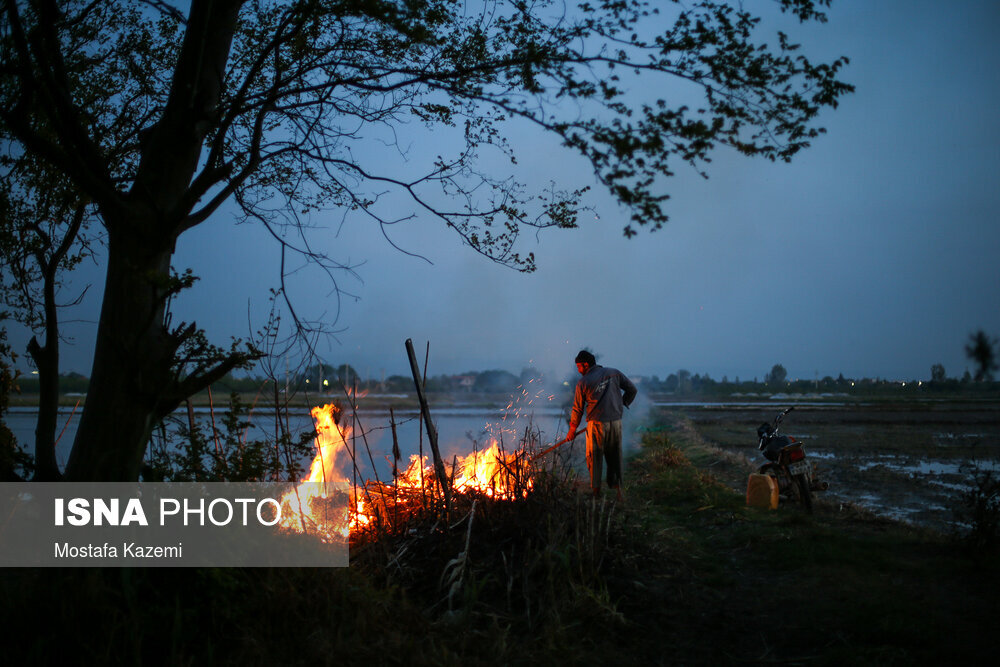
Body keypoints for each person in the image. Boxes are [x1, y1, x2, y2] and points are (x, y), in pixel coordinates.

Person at [566, 350, 637, 502]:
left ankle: (596, 493)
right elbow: (632, 390)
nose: (578, 370)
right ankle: (619, 493)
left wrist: (572, 430)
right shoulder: (614, 373)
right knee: (615, 456)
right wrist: (622, 404)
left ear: (585, 365)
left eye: (579, 367)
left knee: (595, 457)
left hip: (596, 425)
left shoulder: (583, 382)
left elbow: (577, 409)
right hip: (616, 422)